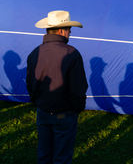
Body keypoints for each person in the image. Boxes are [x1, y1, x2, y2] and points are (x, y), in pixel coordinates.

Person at [26, 10, 88, 164]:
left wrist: (37, 102)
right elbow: (78, 88)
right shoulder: (72, 53)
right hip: (64, 113)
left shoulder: (35, 53)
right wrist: (78, 108)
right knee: (62, 157)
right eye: (68, 28)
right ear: (61, 30)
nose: (70, 32)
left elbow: (29, 83)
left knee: (44, 153)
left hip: (42, 112)